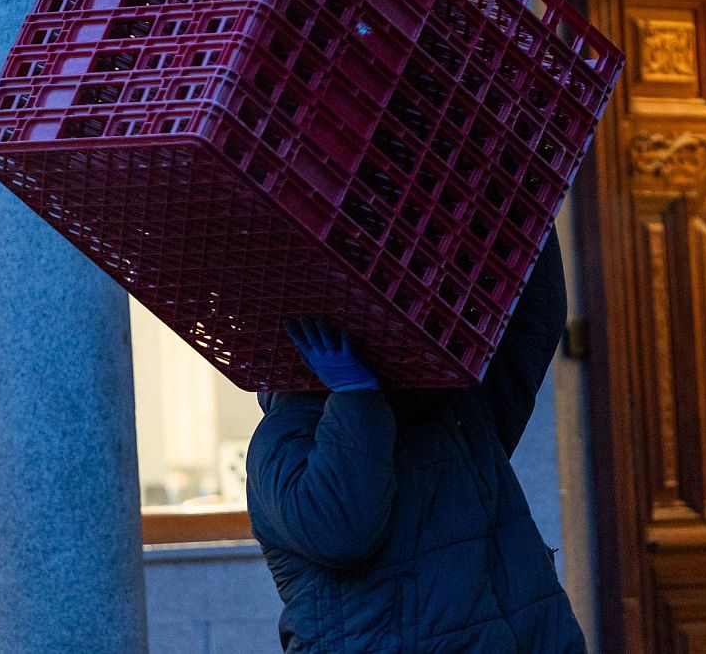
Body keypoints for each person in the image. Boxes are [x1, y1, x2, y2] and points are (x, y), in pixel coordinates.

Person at [246, 227, 586, 653]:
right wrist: (355, 397)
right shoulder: (283, 434)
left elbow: (529, 326)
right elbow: (341, 527)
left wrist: (529, 215)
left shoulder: (447, 406)